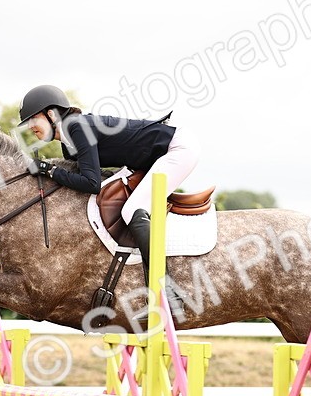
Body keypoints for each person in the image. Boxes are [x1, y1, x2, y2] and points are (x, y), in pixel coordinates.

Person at [18, 85, 200, 285]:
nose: (30, 127)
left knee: (132, 209)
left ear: (51, 114)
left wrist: (49, 170)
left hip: (176, 149)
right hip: (150, 159)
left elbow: (92, 182)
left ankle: (166, 287)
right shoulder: (69, 143)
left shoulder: (77, 127)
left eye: (33, 120)